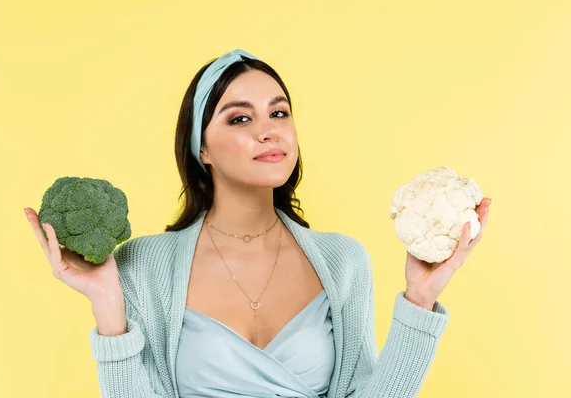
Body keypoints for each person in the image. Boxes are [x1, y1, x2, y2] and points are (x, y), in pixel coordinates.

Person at [24, 48, 491, 398]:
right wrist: (108, 307)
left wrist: (420, 300)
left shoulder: (343, 260)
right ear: (201, 149)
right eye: (240, 117)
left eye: (279, 112)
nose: (267, 129)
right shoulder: (144, 264)